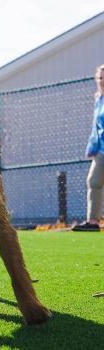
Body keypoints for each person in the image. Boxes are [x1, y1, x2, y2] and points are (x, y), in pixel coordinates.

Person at [72, 64, 104, 231]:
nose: (102, 80)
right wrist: (92, 146)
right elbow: (96, 127)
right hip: (101, 150)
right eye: (100, 77)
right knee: (94, 181)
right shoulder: (98, 98)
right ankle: (93, 222)